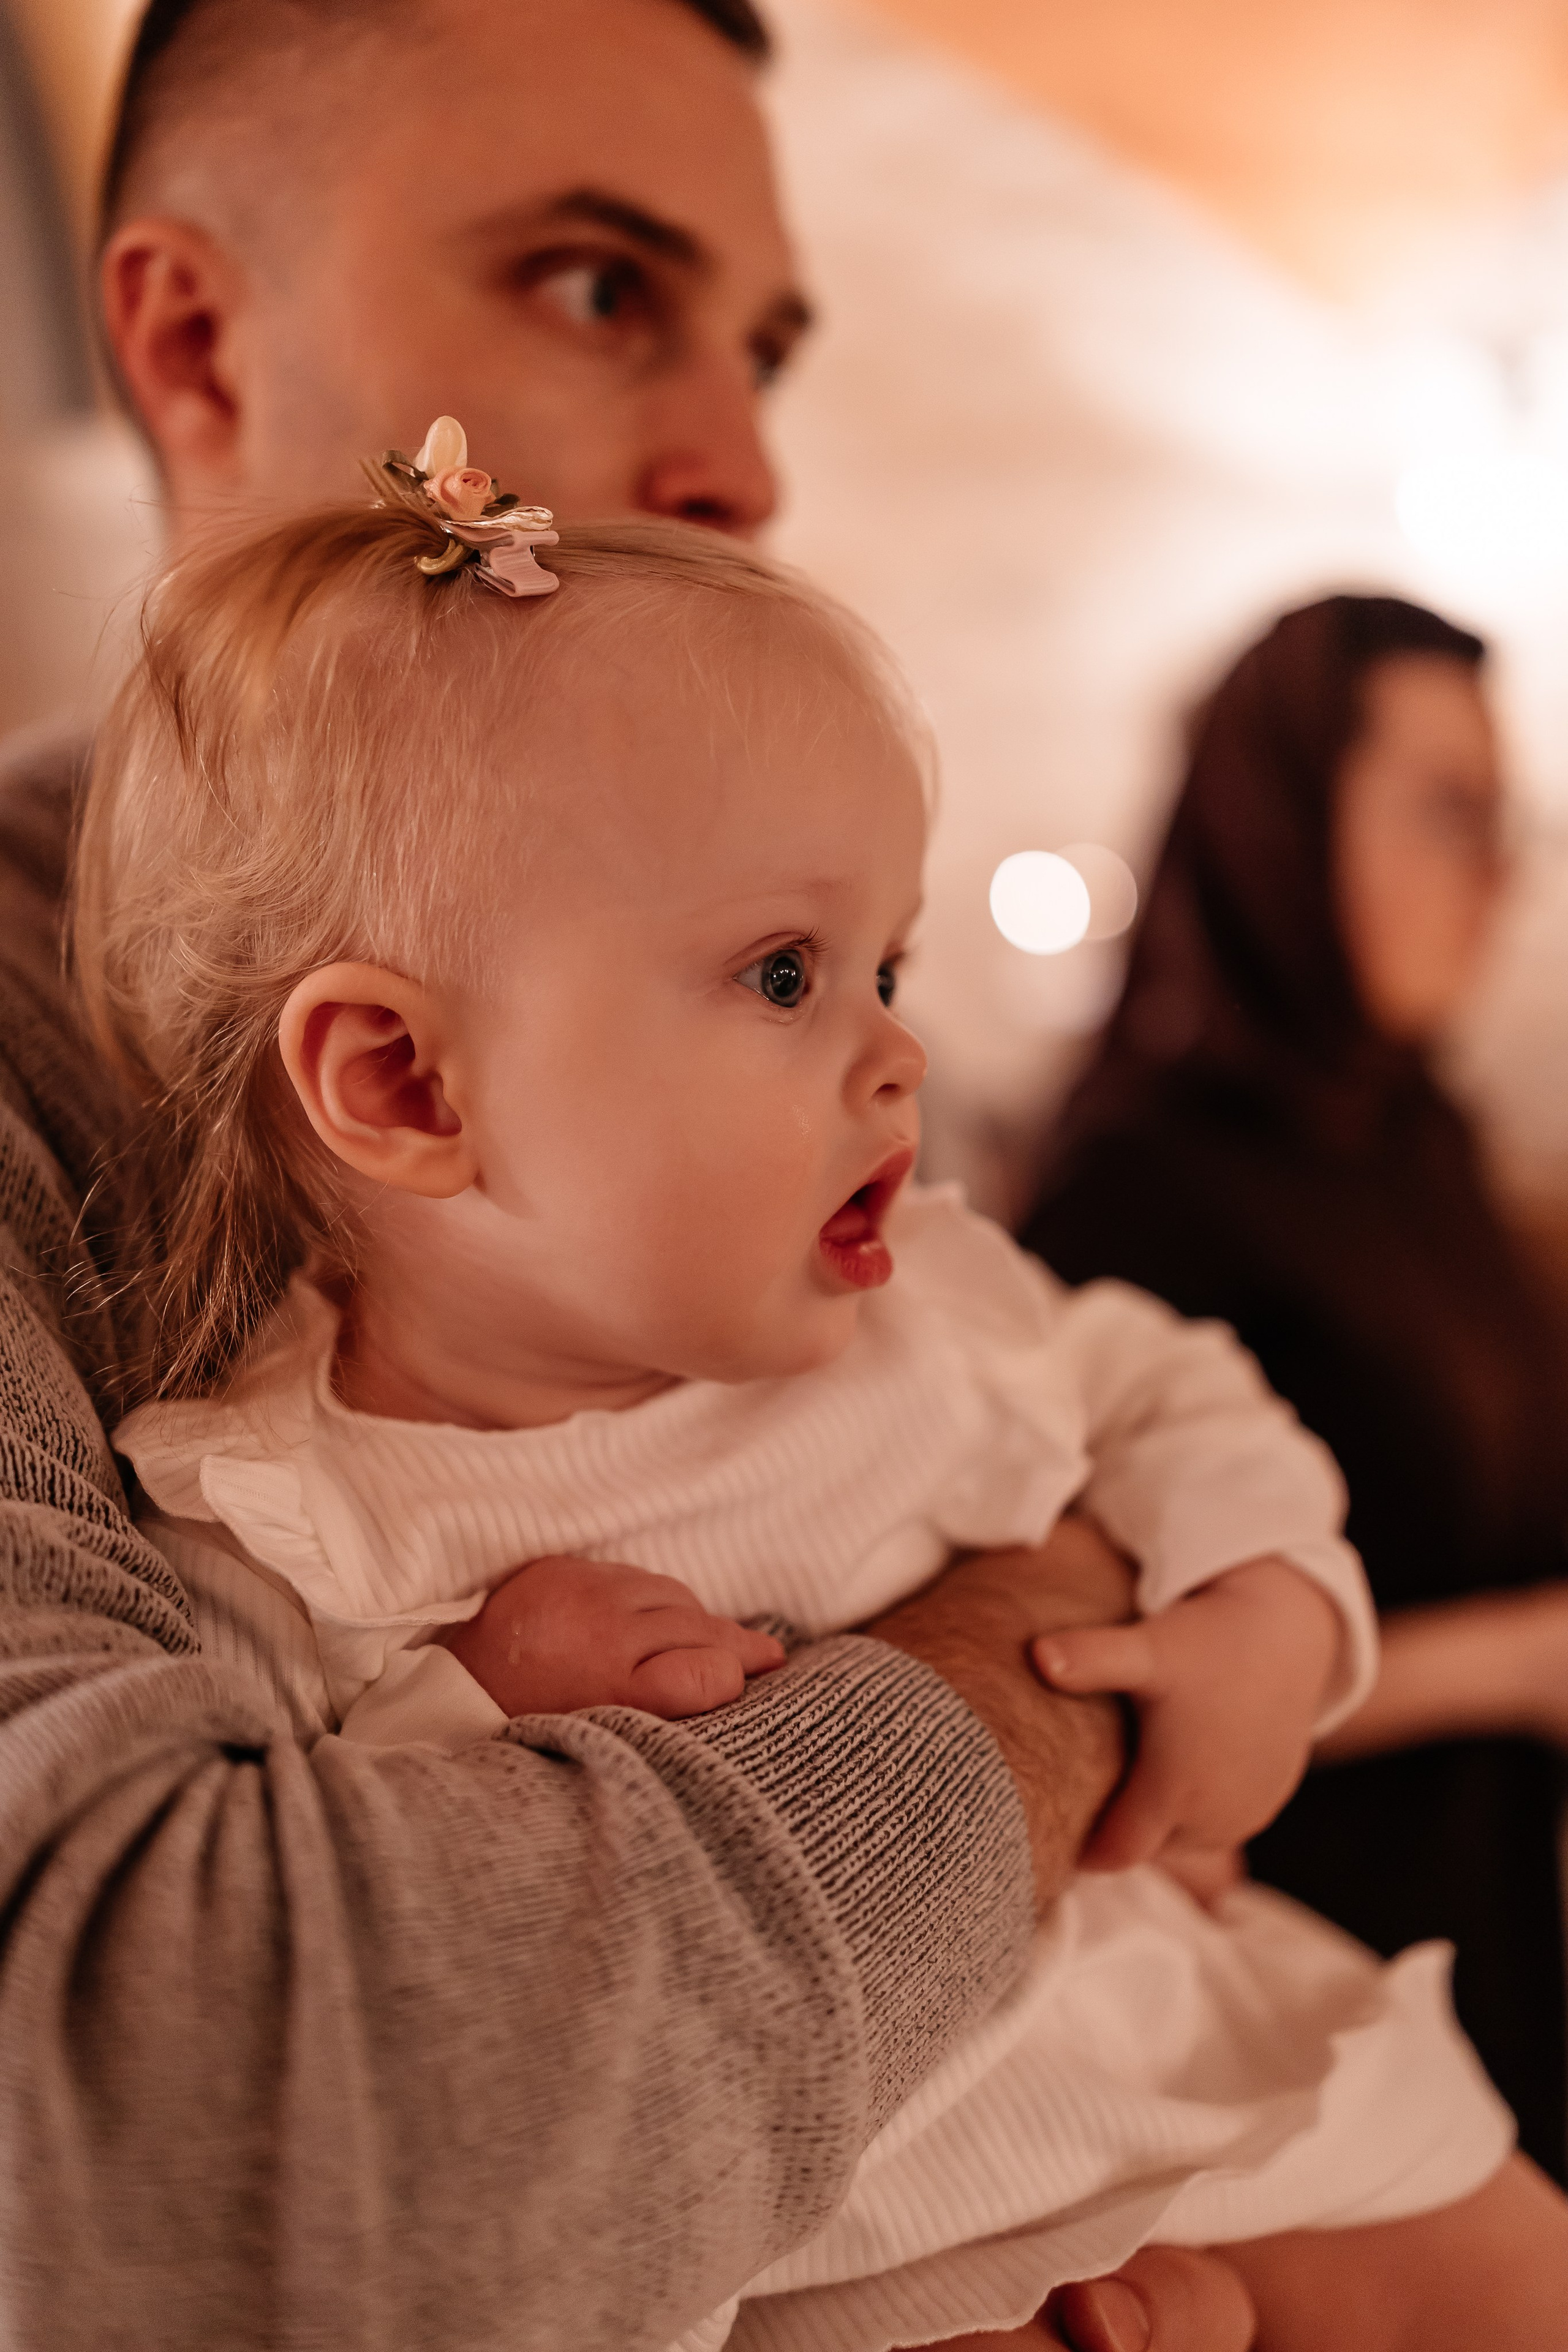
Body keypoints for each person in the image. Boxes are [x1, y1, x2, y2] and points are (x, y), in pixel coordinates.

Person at [0, 1, 1267, 2345]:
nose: (741, 462)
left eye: (765, 351)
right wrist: (1044, 1648)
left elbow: (1071, 1395)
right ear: (193, 336)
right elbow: (180, 2114)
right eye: (599, 286)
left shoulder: (756, 1060)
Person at [79, 451, 1562, 2348]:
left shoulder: (929, 1301)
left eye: (888, 963)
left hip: (1186, 2048)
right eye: (787, 972)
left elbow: (1176, 1390)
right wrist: (472, 1703)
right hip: (823, 2220)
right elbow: (292, 1947)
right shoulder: (285, 1510)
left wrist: (1271, 1600)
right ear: (407, 1088)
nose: (898, 1051)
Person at [1023, 593, 1568, 2183]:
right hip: (1288, 1980)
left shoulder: (1424, 1149)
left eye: (1504, 813)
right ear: (1281, 823)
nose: (1500, 873)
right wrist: (1518, 1663)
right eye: (1446, 813)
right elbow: (1088, 1681)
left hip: (1489, 1932)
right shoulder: (1138, 1193)